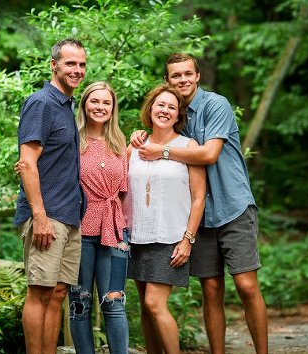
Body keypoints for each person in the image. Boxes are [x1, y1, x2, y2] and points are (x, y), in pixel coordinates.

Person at [130, 53, 268, 353]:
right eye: (175, 75)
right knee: (211, 289)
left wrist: (161, 152)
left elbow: (208, 155)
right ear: (168, 80)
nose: (182, 80)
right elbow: (160, 139)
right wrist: (141, 137)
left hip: (233, 206)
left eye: (187, 73)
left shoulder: (215, 104)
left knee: (246, 286)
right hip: (200, 216)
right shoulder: (174, 114)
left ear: (197, 76)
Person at [14, 38, 86, 354]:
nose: (78, 70)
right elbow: (27, 163)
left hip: (69, 217)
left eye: (82, 64)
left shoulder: (66, 107)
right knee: (40, 292)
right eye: (71, 63)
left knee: (58, 292)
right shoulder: (41, 103)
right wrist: (40, 216)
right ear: (53, 65)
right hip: (48, 215)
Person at [127, 84, 206, 354]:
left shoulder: (188, 146)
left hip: (170, 238)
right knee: (145, 308)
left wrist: (188, 240)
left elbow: (198, 197)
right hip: (137, 237)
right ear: (150, 109)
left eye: (172, 107)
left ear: (178, 115)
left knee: (154, 304)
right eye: (161, 105)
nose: (165, 110)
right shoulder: (135, 145)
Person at [68, 82, 130, 354]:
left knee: (114, 304)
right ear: (84, 104)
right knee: (80, 304)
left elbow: (125, 193)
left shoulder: (120, 143)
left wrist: (126, 233)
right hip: (80, 233)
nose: (100, 107)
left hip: (115, 233)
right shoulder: (72, 140)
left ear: (113, 108)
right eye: (94, 101)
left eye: (106, 103)